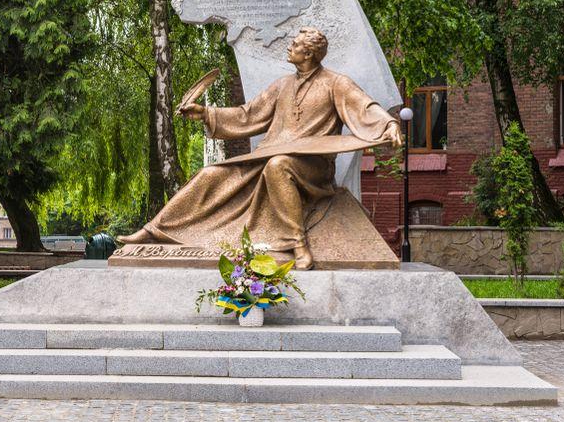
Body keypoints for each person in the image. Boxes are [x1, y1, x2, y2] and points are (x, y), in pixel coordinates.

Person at [118, 27, 402, 270]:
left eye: (295, 45)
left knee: (279, 165)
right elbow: (247, 115)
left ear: (309, 54)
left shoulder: (336, 84)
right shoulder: (282, 85)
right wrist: (205, 113)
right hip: (267, 157)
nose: (289, 47)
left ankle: (298, 244)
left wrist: (388, 124)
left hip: (312, 167)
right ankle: (155, 231)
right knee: (210, 174)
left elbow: (364, 107)